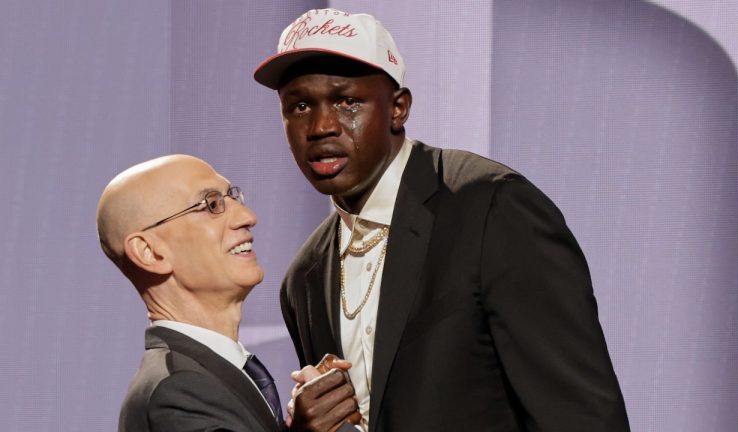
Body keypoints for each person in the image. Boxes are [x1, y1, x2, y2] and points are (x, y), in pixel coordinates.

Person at [253, 8, 631, 432]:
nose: (321, 126)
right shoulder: (306, 276)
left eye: (347, 101)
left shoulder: (490, 207)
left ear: (398, 108)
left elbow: (579, 413)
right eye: (299, 106)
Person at [97, 155, 359, 432]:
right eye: (211, 205)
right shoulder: (177, 391)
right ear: (149, 252)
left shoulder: (208, 374)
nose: (248, 217)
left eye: (232, 197)